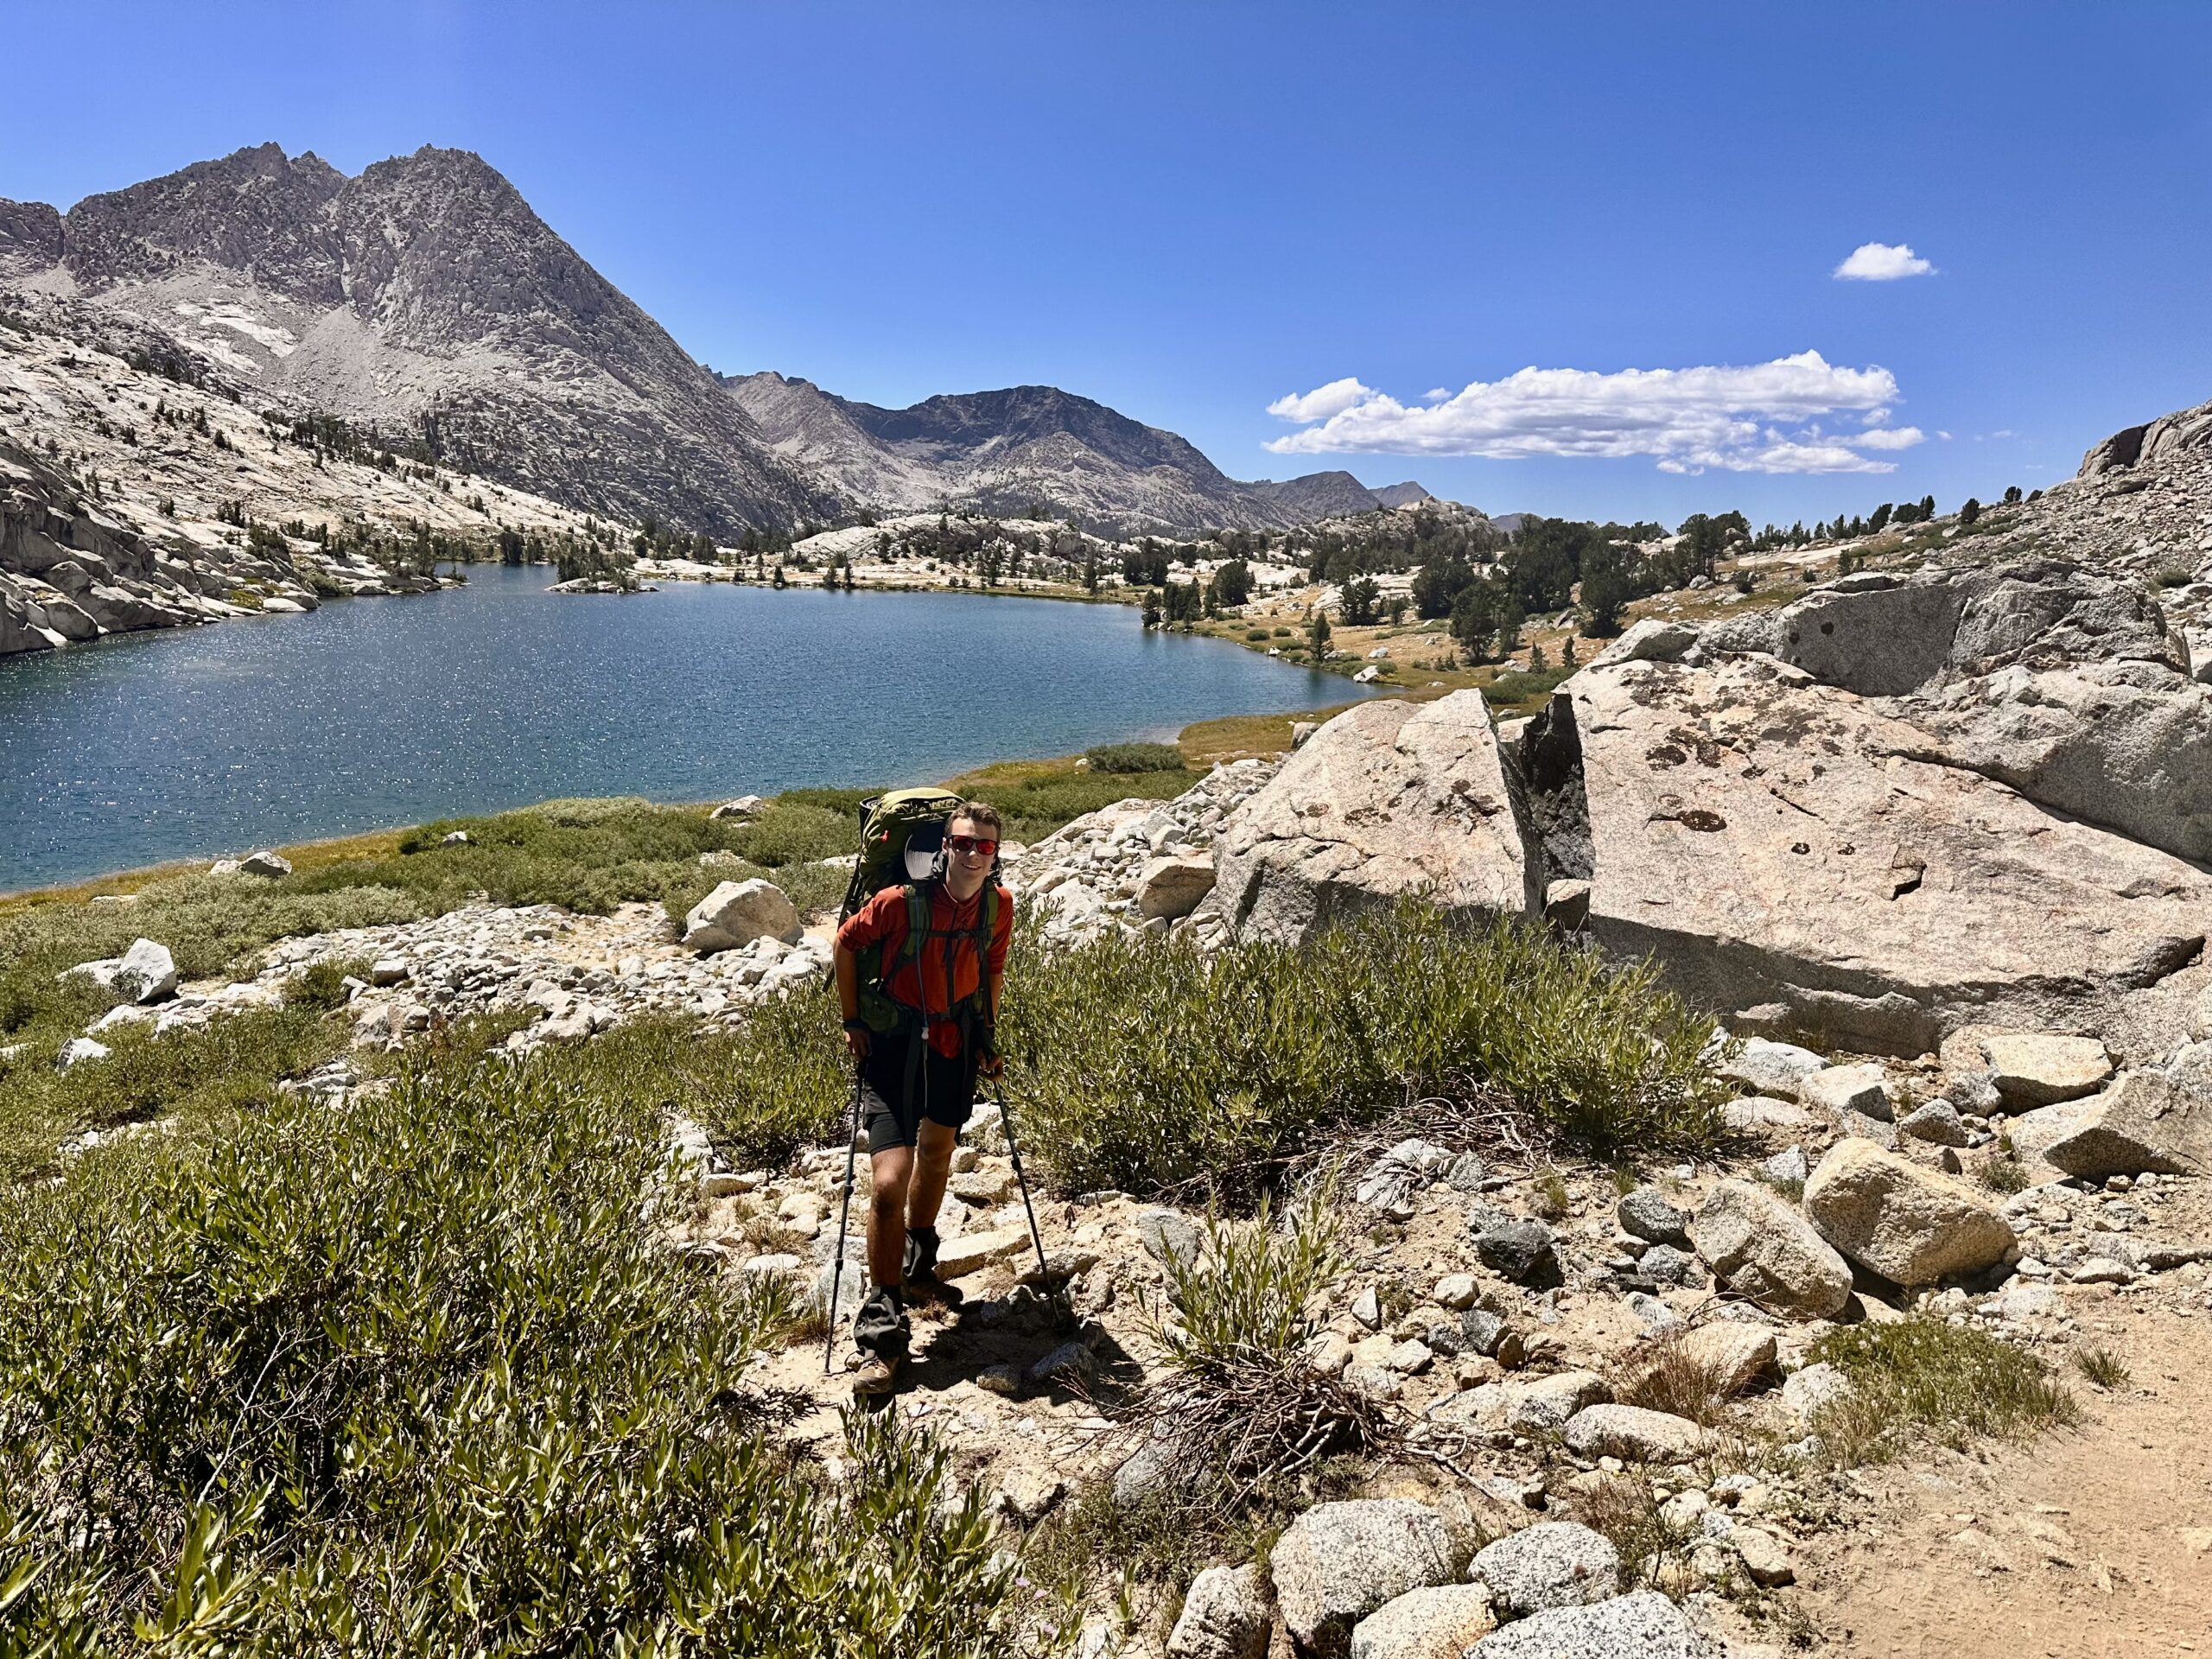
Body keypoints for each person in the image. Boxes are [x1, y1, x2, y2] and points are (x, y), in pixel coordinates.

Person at [832, 800, 1013, 1395]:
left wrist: (987, 1033)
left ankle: (918, 1269)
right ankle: (881, 1334)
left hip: (954, 1042)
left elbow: (991, 967)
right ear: (942, 848)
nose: (971, 854)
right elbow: (845, 944)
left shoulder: (997, 906)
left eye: (983, 846)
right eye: (962, 843)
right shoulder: (897, 904)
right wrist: (853, 1021)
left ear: (995, 854)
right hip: (892, 1045)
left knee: (937, 1154)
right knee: (888, 1182)